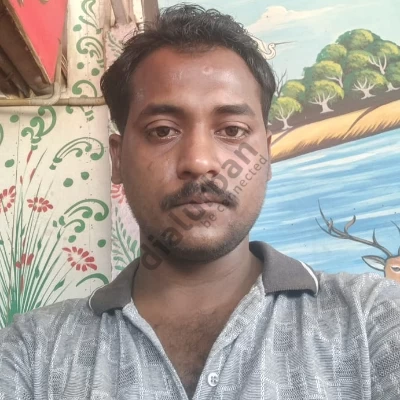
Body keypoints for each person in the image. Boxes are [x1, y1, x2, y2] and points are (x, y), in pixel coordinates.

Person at [1, 4, 400, 399]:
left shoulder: (372, 319)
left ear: (266, 156)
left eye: (232, 130)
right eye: (162, 130)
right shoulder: (34, 352)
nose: (199, 161)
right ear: (117, 160)